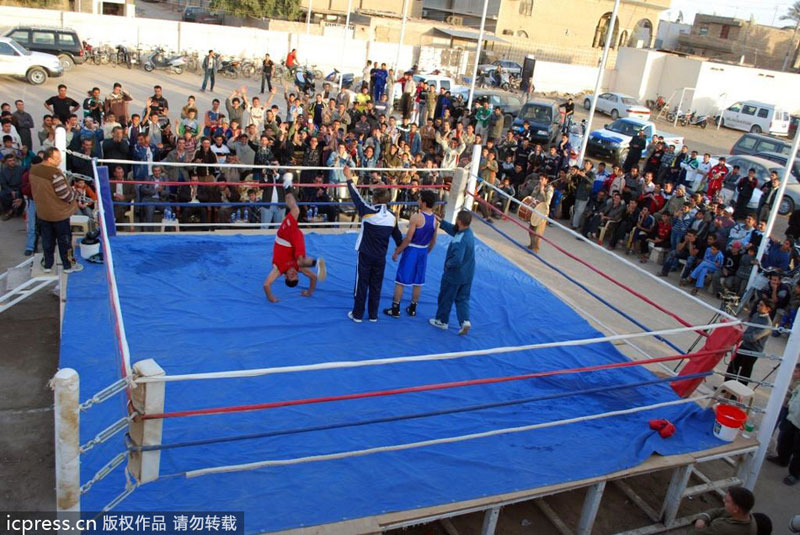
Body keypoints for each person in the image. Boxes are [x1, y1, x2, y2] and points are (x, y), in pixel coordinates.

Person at [344, 166, 402, 323]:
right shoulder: (392, 217)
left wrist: (348, 177)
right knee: (376, 285)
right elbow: (398, 238)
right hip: (380, 257)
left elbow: (356, 197)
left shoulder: (368, 211)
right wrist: (398, 251)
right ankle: (373, 315)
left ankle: (357, 314)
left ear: (375, 199)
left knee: (362, 283)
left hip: (365, 254)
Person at [262, 176, 326, 303]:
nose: (293, 273)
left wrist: (271, 298)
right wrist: (309, 292)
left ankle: (287, 187)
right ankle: (316, 262)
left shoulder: (279, 269)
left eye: (291, 276)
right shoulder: (298, 268)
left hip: (284, 237)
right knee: (300, 262)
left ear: (285, 276)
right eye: (296, 275)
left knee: (295, 210)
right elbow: (313, 277)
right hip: (296, 239)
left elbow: (266, 285)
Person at [383, 190, 439, 318]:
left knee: (400, 280)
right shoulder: (435, 219)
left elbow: (408, 239)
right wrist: (426, 252)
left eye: (420, 199)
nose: (418, 201)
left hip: (412, 251)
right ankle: (413, 309)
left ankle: (395, 309)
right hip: (423, 251)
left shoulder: (416, 217)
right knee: (418, 281)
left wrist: (397, 252)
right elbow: (433, 240)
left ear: (424, 202)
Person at [28, 148, 82, 273]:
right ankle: (68, 265)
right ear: (49, 159)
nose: (60, 161)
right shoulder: (54, 173)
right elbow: (65, 195)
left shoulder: (33, 170)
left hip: (43, 212)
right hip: (59, 214)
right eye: (57, 159)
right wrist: (76, 193)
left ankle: (47, 265)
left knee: (47, 241)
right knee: (65, 241)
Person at [430, 210, 475, 336]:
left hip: (454, 275)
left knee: (446, 297)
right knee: (462, 299)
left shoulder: (459, 241)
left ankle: (441, 320)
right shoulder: (468, 233)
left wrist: (448, 265)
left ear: (459, 221)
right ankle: (465, 321)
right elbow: (455, 230)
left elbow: (457, 259)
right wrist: (442, 222)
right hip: (468, 274)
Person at [726, 300, 773, 385]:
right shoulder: (756, 315)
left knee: (745, 371)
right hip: (745, 345)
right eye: (759, 304)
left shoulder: (767, 324)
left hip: (753, 350)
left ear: (768, 309)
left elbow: (753, 337)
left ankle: (739, 390)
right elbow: (748, 330)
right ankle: (726, 385)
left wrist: (740, 336)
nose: (758, 305)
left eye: (761, 305)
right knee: (733, 365)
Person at [767, 364, 800, 486]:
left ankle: (795, 474)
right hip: (792, 416)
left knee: (798, 450)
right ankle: (782, 459)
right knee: (784, 439)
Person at [690, 486, 756, 534]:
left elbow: (696, 533)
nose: (723, 500)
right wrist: (704, 517)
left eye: (727, 501)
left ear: (736, 509)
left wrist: (700, 521)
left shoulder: (723, 528)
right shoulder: (746, 515)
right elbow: (718, 511)